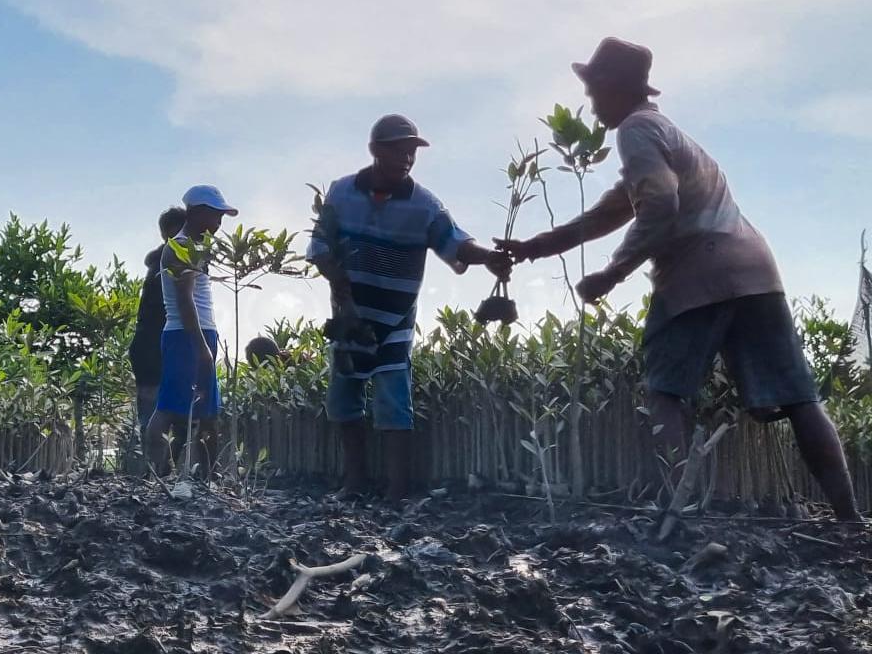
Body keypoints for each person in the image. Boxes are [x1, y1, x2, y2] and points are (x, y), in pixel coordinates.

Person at [495, 37, 859, 520]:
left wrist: (612, 273)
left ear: (613, 88)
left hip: (697, 275)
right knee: (799, 398)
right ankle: (850, 519)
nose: (590, 103)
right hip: (755, 272)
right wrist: (534, 248)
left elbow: (660, 206)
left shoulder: (636, 130)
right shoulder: (665, 135)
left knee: (665, 391)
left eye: (593, 91)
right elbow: (608, 214)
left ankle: (679, 513)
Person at [307, 114, 513, 501]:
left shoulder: (424, 204)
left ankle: (396, 491)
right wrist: (338, 281)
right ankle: (354, 484)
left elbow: (454, 242)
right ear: (375, 150)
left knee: (392, 399)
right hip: (350, 315)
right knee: (344, 398)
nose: (406, 157)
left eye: (411, 151)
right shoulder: (340, 193)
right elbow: (320, 246)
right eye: (398, 149)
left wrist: (490, 257)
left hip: (395, 319)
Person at [145, 185, 237, 478]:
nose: (220, 222)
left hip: (194, 332)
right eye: (215, 214)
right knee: (172, 409)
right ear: (197, 213)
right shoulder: (181, 246)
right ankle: (161, 473)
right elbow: (185, 300)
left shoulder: (193, 246)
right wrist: (201, 347)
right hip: (187, 335)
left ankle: (205, 476)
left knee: (206, 411)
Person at [128, 206, 187, 440]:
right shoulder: (173, 262)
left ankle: (156, 471)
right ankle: (158, 471)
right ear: (175, 231)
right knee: (164, 414)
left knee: (153, 413)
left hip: (147, 346)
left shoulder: (159, 261)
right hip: (158, 345)